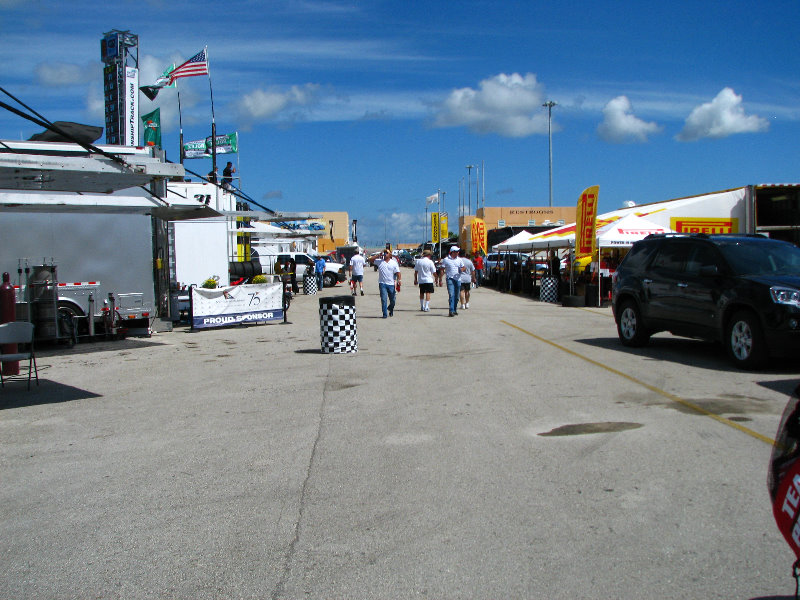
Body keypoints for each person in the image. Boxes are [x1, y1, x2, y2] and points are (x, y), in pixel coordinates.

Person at [374, 249, 400, 318]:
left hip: (391, 284)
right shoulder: (379, 262)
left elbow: (398, 272)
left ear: (390, 254)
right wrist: (378, 255)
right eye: (384, 253)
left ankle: (390, 308)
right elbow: (370, 260)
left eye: (387, 253)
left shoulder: (394, 263)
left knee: (393, 300)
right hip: (382, 284)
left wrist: (399, 280)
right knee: (383, 299)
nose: (385, 254)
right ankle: (385, 314)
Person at [442, 246, 464, 317]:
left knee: (457, 296)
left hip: (458, 279)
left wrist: (462, 270)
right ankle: (451, 310)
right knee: (451, 294)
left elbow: (463, 267)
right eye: (456, 251)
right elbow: (442, 268)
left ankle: (454, 309)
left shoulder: (459, 260)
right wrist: (440, 278)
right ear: (452, 252)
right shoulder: (446, 259)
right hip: (450, 278)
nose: (457, 253)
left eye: (458, 251)